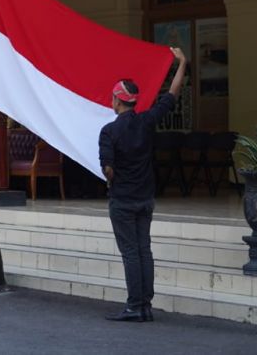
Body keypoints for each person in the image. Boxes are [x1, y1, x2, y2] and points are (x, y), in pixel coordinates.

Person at [99, 47, 187, 323]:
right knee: (144, 249)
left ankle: (135, 305)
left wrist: (111, 177)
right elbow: (172, 95)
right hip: (145, 197)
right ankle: (145, 305)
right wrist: (182, 62)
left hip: (123, 199)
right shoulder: (147, 121)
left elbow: (108, 169)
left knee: (130, 253)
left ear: (117, 101)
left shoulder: (109, 131)